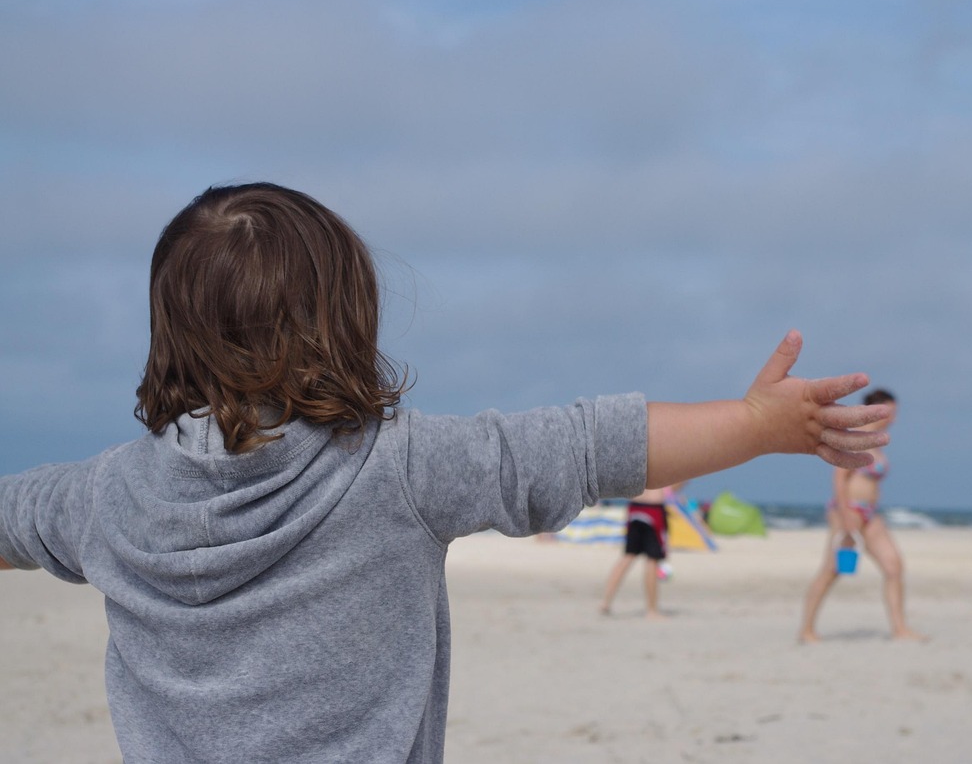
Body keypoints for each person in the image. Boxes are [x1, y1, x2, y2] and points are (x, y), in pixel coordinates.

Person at [0, 183, 891, 764]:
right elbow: (588, 445)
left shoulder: (106, 498)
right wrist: (755, 426)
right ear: (345, 319)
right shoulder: (396, 466)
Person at [798, 388, 926, 643]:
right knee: (832, 569)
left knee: (893, 566)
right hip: (849, 510)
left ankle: (900, 629)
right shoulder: (853, 440)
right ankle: (806, 630)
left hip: (871, 514)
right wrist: (845, 516)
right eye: (891, 412)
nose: (894, 419)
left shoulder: (878, 441)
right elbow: (839, 478)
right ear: (877, 410)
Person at [599, 485, 676, 618]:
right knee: (652, 559)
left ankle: (605, 602)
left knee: (628, 556)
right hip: (653, 508)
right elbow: (674, 485)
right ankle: (652, 610)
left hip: (635, 506)